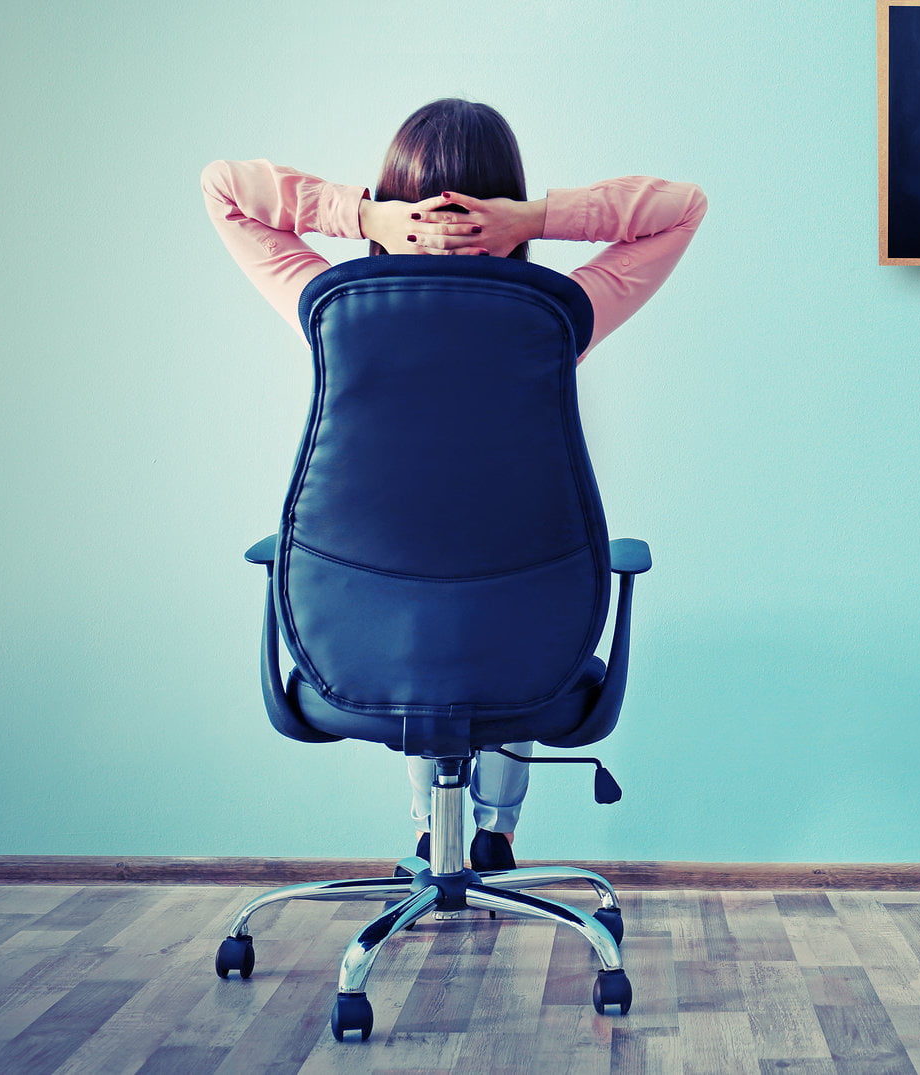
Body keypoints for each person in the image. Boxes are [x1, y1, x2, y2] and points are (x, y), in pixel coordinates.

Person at [201, 97, 706, 871]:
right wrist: (532, 219)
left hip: (361, 650)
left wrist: (360, 219)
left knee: (418, 602)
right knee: (502, 605)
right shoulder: (556, 318)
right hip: (528, 648)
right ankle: (494, 830)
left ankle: (430, 832)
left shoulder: (335, 312)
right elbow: (681, 209)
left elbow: (225, 188)